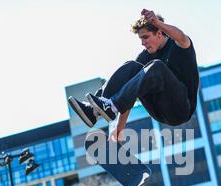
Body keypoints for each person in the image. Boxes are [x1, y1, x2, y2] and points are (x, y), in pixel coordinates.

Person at [68, 8, 199, 142]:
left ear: (159, 33)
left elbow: (182, 37)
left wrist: (156, 22)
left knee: (157, 66)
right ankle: (94, 111)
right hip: (159, 110)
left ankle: (111, 106)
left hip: (181, 108)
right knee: (132, 66)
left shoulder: (178, 46)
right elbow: (130, 89)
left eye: (146, 37)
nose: (143, 43)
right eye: (141, 39)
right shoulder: (145, 57)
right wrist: (119, 129)